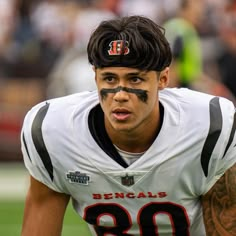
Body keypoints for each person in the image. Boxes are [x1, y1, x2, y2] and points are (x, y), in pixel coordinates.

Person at [20, 15, 236, 236]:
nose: (120, 95)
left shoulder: (209, 127)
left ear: (163, 79)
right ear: (95, 78)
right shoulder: (53, 131)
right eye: (110, 79)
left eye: (135, 79)